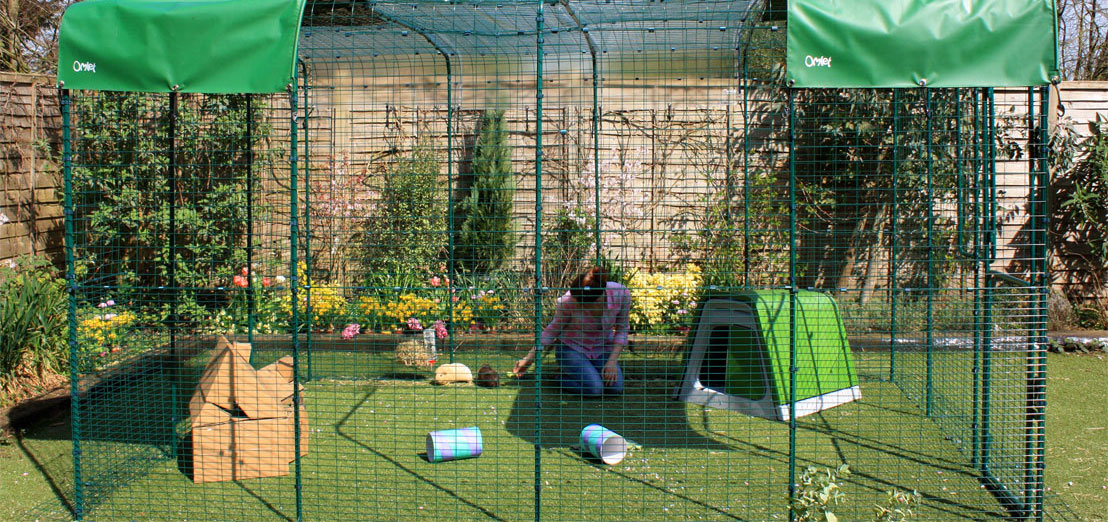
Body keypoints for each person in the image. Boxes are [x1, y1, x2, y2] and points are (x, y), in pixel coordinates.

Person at [513, 266, 630, 397]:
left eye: (581, 303)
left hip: (603, 349)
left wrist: (612, 361)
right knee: (594, 390)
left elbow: (622, 329)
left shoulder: (621, 294)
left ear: (595, 299)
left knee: (615, 389)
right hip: (572, 348)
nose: (576, 303)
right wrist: (528, 359)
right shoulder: (568, 301)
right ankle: (561, 376)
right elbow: (552, 331)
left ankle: (583, 373)